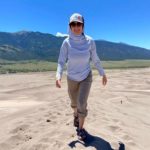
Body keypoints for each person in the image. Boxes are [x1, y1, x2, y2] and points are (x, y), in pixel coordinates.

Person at [56, 13, 107, 140]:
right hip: (71, 77)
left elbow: (95, 59)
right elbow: (61, 61)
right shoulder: (66, 43)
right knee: (74, 103)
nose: (76, 26)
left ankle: (80, 129)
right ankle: (75, 114)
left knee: (81, 103)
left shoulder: (90, 41)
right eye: (73, 24)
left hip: (86, 76)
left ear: (83, 26)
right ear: (70, 26)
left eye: (79, 24)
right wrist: (58, 75)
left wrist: (102, 73)